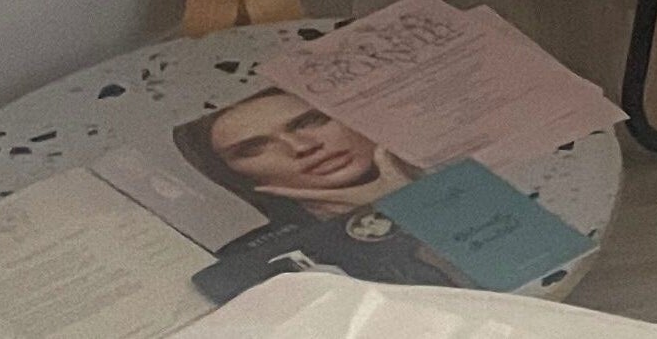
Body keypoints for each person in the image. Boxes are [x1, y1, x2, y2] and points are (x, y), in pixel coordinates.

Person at [175, 89, 458, 289]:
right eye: (253, 149)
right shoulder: (259, 264)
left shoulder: (463, 174)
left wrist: (410, 205)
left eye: (311, 121)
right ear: (233, 176)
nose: (302, 147)